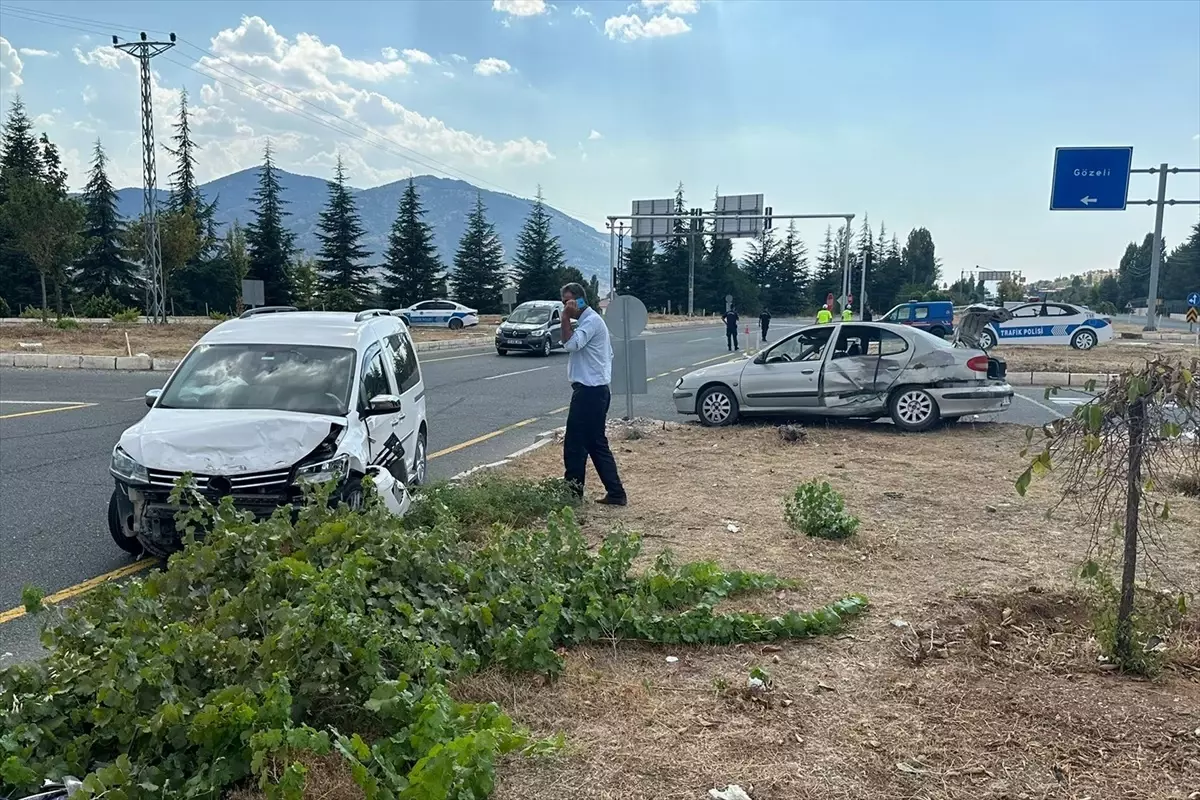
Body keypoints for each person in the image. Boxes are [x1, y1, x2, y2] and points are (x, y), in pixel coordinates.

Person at [559, 282, 626, 506]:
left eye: (567, 300)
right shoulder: (592, 321)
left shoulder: (590, 321)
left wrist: (564, 318)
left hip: (589, 393)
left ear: (578, 300)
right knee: (596, 443)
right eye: (563, 302)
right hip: (596, 391)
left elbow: (571, 345)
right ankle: (616, 493)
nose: (565, 305)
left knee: (575, 445)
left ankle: (572, 495)